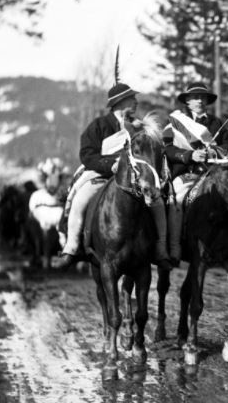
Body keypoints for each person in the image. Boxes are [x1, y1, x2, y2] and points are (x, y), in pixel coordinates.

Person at [55, 82, 172, 270]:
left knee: (157, 203)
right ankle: (72, 248)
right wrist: (112, 165)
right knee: (79, 201)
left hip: (135, 178)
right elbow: (87, 155)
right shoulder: (99, 125)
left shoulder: (139, 127)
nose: (135, 102)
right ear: (120, 102)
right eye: (131, 99)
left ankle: (160, 250)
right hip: (100, 175)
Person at [163, 81, 228, 264]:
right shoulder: (175, 123)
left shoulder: (216, 123)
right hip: (186, 175)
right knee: (176, 202)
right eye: (195, 97)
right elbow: (168, 149)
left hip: (211, 175)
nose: (199, 101)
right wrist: (190, 155)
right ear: (187, 101)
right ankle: (174, 248)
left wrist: (213, 151)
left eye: (202, 97)